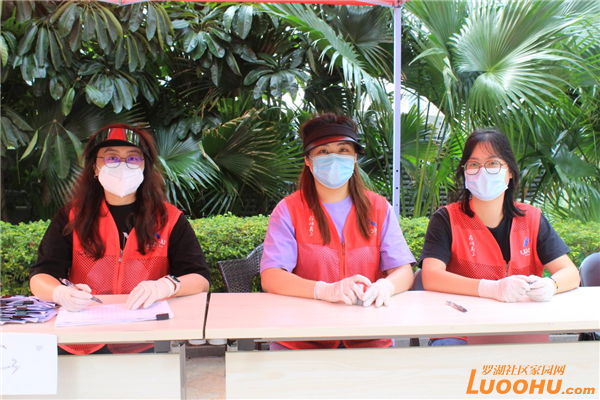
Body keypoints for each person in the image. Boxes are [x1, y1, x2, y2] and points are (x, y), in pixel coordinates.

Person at [30, 124, 210, 354]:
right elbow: (41, 275)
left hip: (148, 339)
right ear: (95, 168)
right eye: (111, 158)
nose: (122, 166)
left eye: (133, 158)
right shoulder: (72, 217)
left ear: (144, 167)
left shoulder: (169, 219)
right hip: (81, 339)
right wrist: (60, 293)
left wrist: (167, 286)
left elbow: (200, 278)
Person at [260, 113, 416, 350]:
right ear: (308, 160)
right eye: (323, 151)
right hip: (301, 340)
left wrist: (385, 286)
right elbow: (272, 276)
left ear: (354, 158)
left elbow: (403, 270)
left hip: (369, 338)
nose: (334, 158)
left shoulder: (378, 208)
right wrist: (323, 290)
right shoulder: (289, 210)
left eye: (343, 150)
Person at [420, 128, 581, 346]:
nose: (483, 171)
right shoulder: (446, 219)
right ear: (464, 172)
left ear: (510, 172)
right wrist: (490, 288)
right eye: (473, 164)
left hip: (521, 329)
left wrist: (551, 285)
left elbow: (570, 273)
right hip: (460, 330)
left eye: (493, 163)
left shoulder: (532, 219)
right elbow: (430, 276)